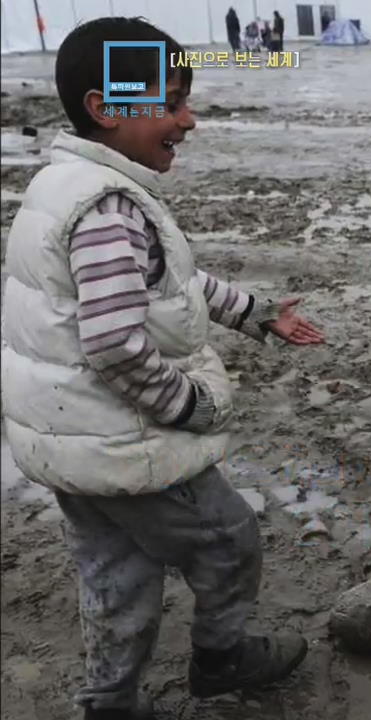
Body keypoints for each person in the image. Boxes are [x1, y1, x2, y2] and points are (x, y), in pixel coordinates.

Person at [1, 17, 326, 720]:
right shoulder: (109, 209)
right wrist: (188, 407)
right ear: (105, 108)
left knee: (116, 575)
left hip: (71, 448)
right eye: (172, 101)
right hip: (123, 439)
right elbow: (117, 344)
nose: (190, 119)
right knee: (229, 539)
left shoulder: (64, 185)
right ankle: (221, 656)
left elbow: (167, 286)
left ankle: (108, 702)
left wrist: (251, 312)